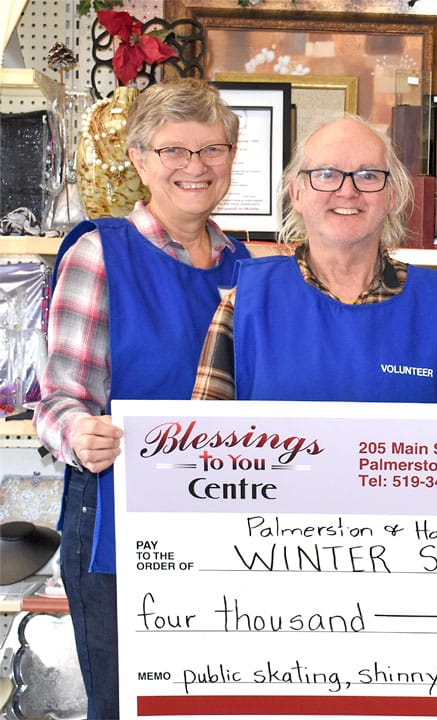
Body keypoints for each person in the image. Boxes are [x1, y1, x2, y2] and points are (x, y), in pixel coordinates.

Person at [33, 78, 250, 719]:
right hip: (115, 528)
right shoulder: (101, 253)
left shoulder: (250, 267)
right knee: (127, 705)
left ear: (232, 158)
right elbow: (58, 400)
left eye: (212, 149)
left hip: (224, 527)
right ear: (138, 157)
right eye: (173, 151)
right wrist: (79, 435)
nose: (195, 166)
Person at [192, 115, 437, 402]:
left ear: (392, 197)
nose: (348, 191)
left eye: (368, 175)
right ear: (296, 193)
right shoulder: (244, 305)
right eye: (326, 174)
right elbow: (205, 440)